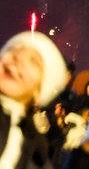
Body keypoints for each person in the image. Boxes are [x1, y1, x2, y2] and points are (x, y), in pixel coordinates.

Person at [0, 30, 67, 168]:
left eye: (33, 61)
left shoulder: (35, 151)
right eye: (14, 51)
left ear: (39, 92)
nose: (18, 59)